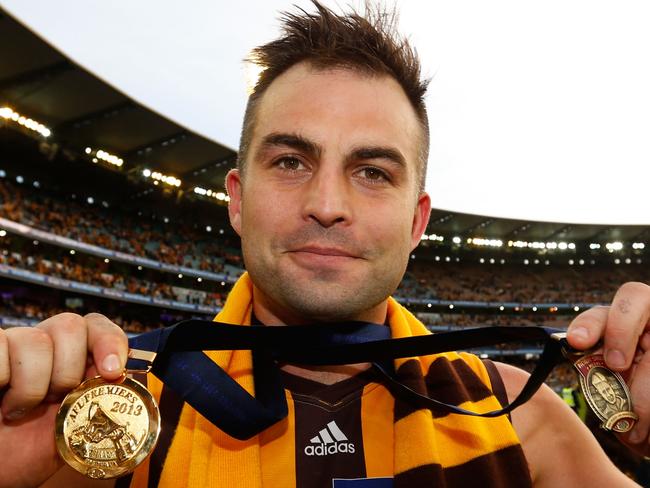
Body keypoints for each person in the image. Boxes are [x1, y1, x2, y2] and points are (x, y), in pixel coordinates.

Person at [1, 2, 650, 487]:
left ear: (418, 221)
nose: (328, 206)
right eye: (289, 161)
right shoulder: (103, 419)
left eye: (372, 173)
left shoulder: (523, 417)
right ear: (236, 197)